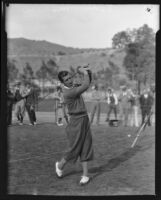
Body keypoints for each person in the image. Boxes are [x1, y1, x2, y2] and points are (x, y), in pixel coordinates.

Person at [55, 66, 94, 185]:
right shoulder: (68, 92)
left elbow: (88, 81)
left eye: (70, 77)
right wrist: (84, 72)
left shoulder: (73, 86)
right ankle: (60, 165)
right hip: (76, 121)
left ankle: (85, 175)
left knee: (86, 146)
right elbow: (86, 85)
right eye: (66, 80)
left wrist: (88, 71)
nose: (70, 80)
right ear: (62, 83)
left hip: (84, 119)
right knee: (74, 148)